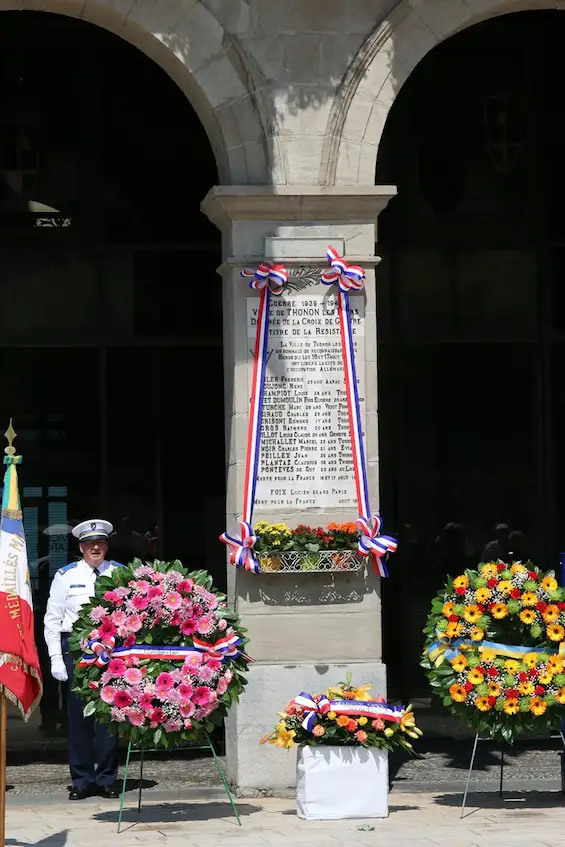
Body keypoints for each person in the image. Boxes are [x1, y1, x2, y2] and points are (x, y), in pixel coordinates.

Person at [44, 518, 121, 801]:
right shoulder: (66, 575)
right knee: (79, 718)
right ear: (81, 547)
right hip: (76, 652)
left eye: (100, 543)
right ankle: (81, 780)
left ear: (107, 546)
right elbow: (52, 620)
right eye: (90, 544)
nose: (95, 548)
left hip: (113, 652)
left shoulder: (120, 574)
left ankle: (107, 778)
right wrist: (55, 657)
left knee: (111, 717)